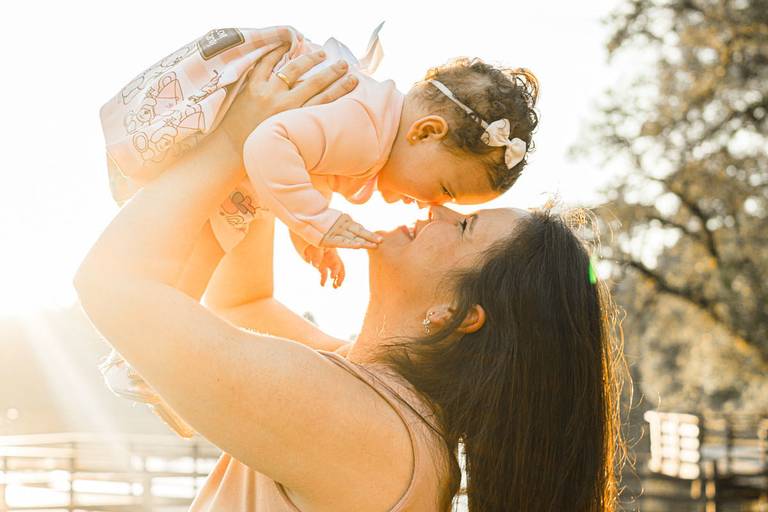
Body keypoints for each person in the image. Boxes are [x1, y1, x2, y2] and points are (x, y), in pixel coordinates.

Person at [76, 48, 624, 511]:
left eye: (461, 224)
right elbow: (243, 304)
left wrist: (233, 136)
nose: (431, 209)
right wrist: (284, 154)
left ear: (456, 313)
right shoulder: (383, 404)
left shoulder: (371, 430)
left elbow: (111, 283)